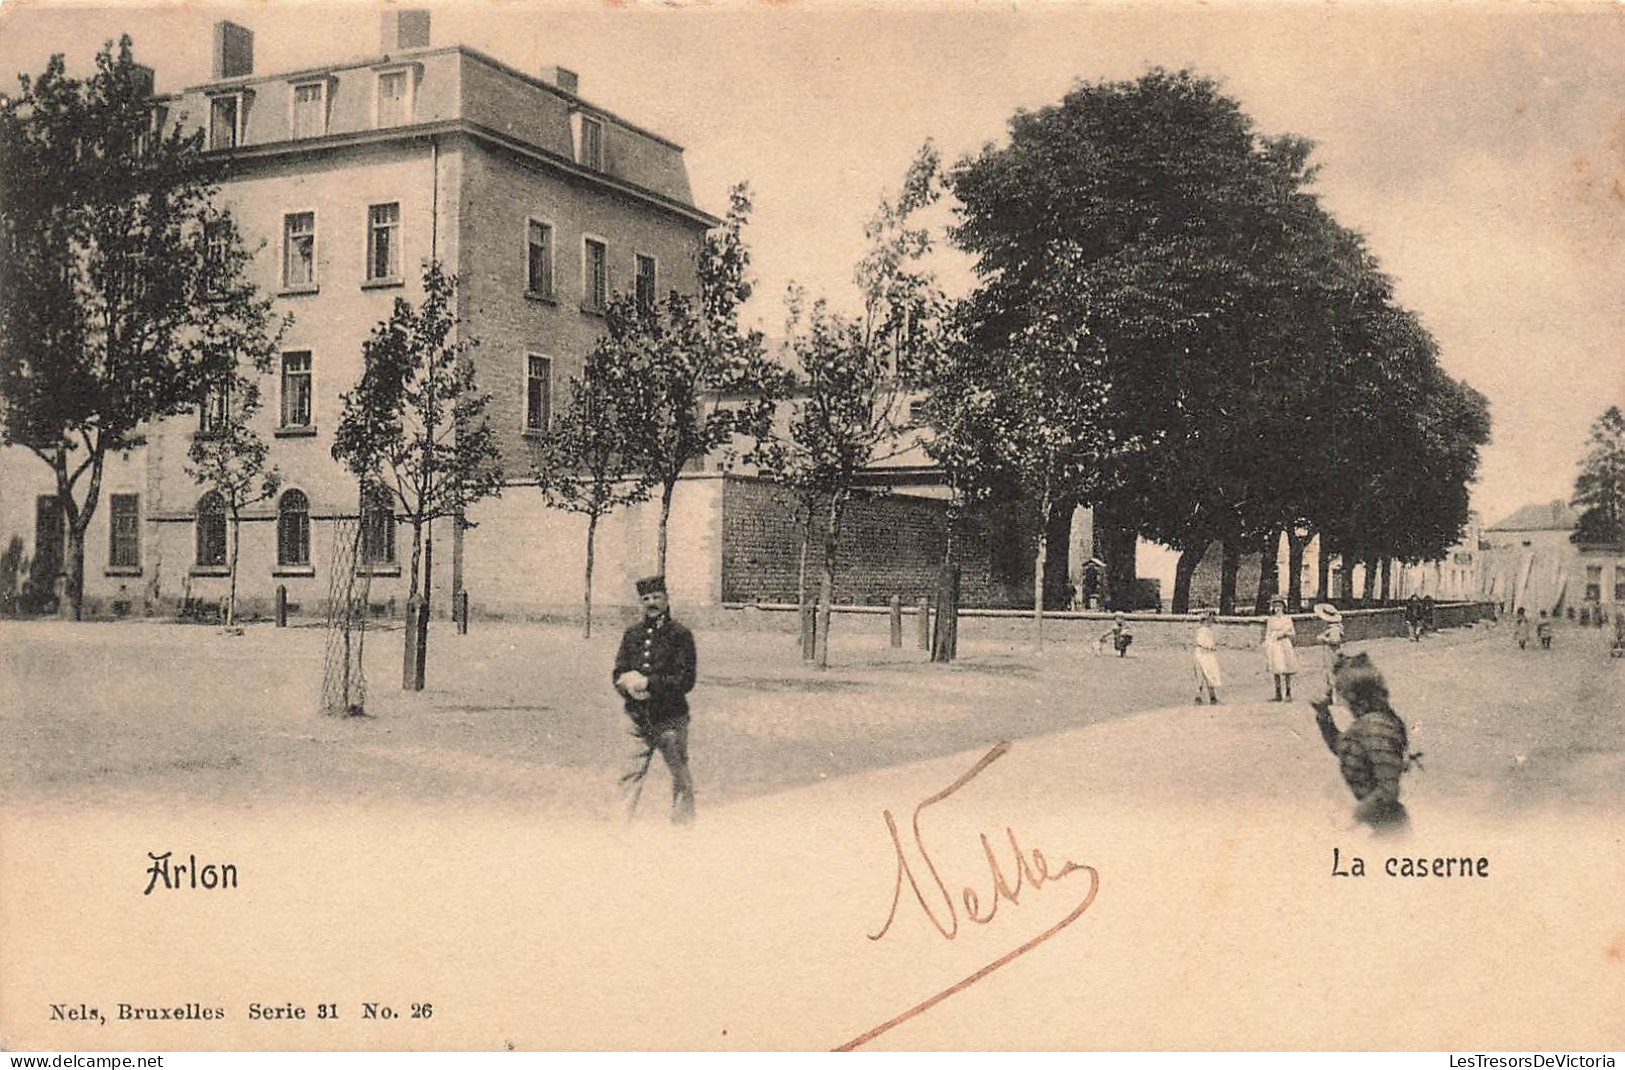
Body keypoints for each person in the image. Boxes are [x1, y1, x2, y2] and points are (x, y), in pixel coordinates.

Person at [613, 575, 698, 824]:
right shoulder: (632, 634)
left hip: (670, 719)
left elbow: (685, 680)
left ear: (666, 599)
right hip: (636, 719)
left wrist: (650, 684)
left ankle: (683, 830)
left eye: (656, 597)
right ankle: (620, 829)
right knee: (629, 774)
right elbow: (618, 671)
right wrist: (626, 685)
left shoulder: (680, 635)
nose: (651, 603)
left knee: (680, 774)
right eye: (646, 598)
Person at [1309, 652, 1416, 834]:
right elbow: (1344, 748)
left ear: (1355, 694)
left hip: (1388, 829)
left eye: (1341, 690)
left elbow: (1388, 790)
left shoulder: (1376, 727)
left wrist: (1352, 818)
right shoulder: (1370, 723)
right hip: (1379, 825)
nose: (1339, 697)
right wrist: (1323, 715)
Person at [1261, 596, 1299, 701]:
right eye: (1275, 606)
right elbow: (1268, 633)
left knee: (1287, 668)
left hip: (1284, 644)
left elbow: (1293, 633)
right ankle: (1278, 693)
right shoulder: (1271, 620)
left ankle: (1288, 693)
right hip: (1274, 645)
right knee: (1276, 668)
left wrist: (1285, 633)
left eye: (1279, 606)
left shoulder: (1287, 619)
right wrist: (1268, 643)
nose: (1277, 608)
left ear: (1283, 607)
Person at [1192, 608, 1222, 705]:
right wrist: (1209, 647)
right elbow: (1201, 643)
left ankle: (1212, 697)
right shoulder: (1202, 630)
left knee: (1210, 675)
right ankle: (1198, 698)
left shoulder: (1208, 630)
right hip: (1202, 654)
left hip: (1207, 654)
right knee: (1202, 676)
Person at [1313, 603, 1345, 693]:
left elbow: (1335, 640)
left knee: (1332, 671)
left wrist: (1324, 638)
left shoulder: (1335, 628)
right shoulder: (1331, 627)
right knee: (1329, 670)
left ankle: (1335, 694)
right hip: (1329, 651)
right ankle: (1332, 692)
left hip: (1333, 652)